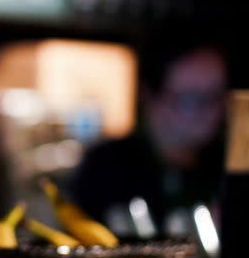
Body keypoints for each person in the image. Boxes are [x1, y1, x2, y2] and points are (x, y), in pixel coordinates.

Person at [66, 31, 228, 240]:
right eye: (190, 100)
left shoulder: (224, 166)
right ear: (150, 96)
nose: (209, 113)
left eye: (215, 96)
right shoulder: (107, 167)